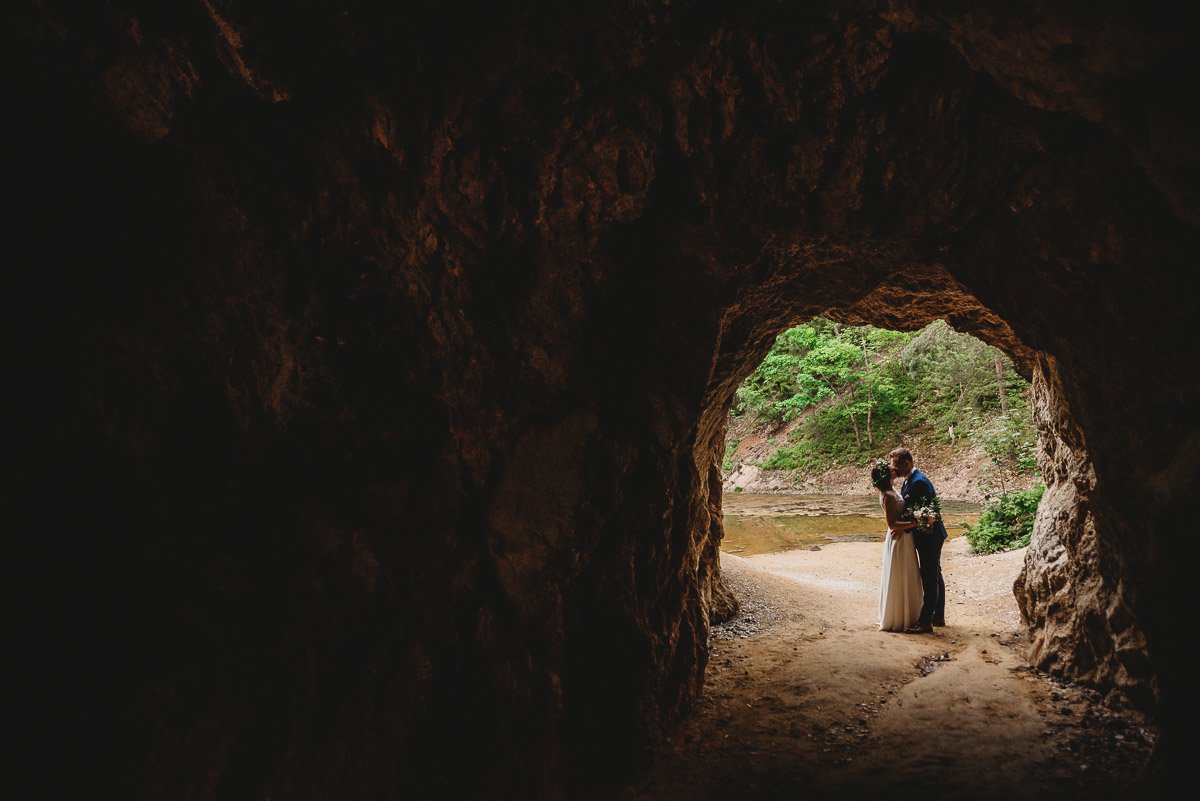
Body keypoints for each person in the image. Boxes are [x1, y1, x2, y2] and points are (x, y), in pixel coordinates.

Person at [890, 447, 947, 633]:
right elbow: (911, 511)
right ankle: (938, 616)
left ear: (907, 464)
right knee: (935, 574)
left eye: (895, 464)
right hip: (926, 535)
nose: (893, 468)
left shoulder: (919, 482)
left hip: (930, 536)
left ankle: (925, 622)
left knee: (929, 577)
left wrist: (901, 526)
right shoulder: (909, 481)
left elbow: (921, 516)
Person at [872, 460, 922, 632]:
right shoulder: (888, 495)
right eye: (891, 468)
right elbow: (893, 525)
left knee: (906, 573)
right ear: (887, 475)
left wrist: (909, 523)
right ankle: (898, 617)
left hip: (904, 538)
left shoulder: (892, 490)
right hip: (898, 539)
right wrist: (915, 523)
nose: (894, 469)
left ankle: (909, 614)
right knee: (899, 575)